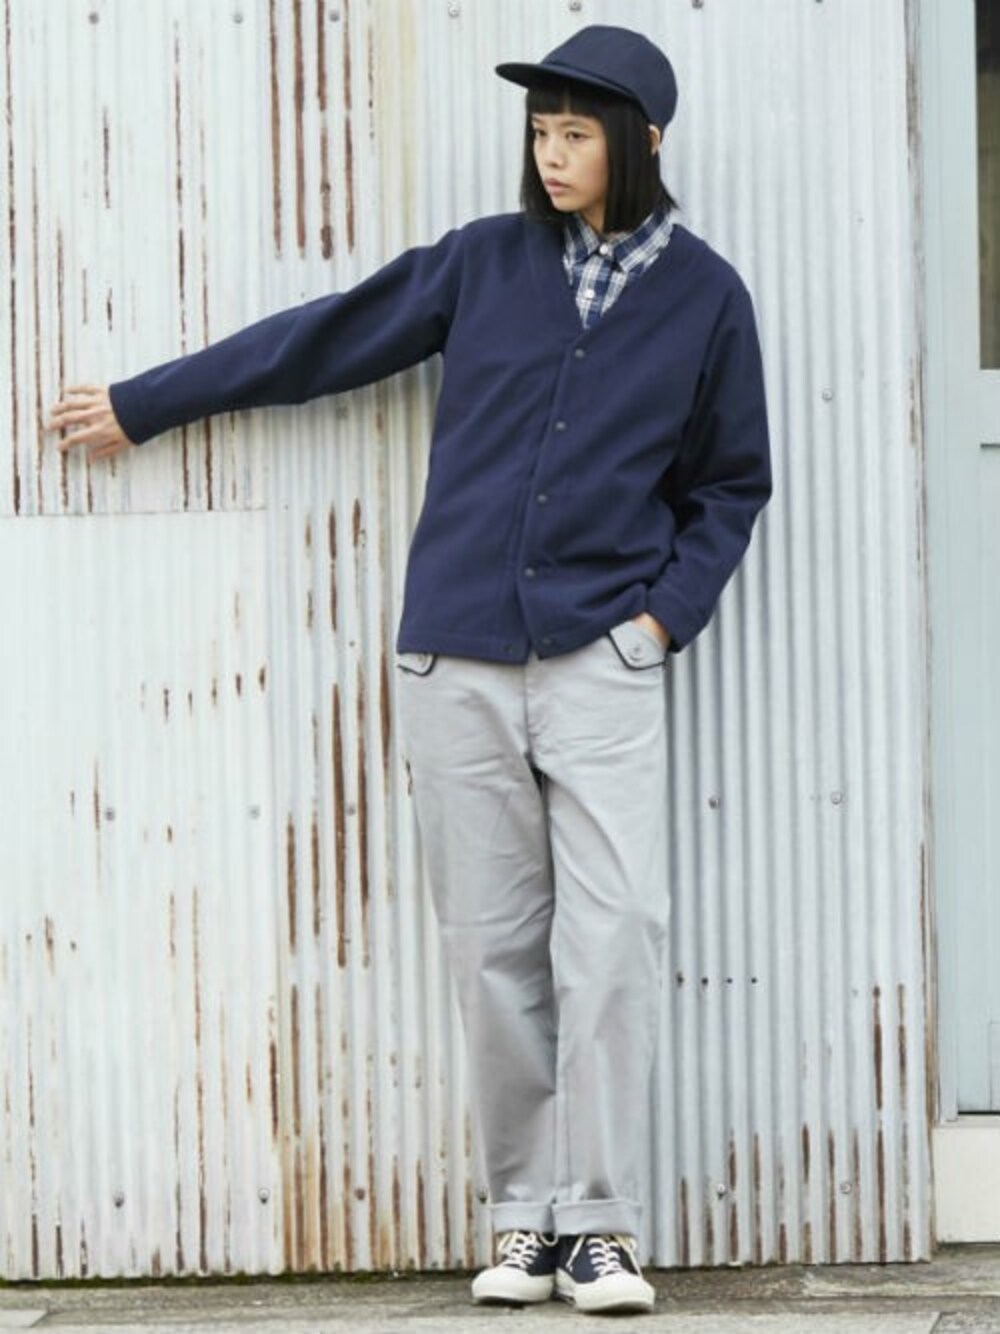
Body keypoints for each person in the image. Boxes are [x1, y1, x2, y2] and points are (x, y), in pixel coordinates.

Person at [45, 24, 771, 1317]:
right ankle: (524, 1218)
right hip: (457, 658)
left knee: (613, 940)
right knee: (492, 947)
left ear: (644, 140)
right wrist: (147, 401)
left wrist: (660, 623)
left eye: (576, 133)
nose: (550, 155)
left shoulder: (708, 298)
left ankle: (601, 1225)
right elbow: (323, 340)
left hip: (602, 660)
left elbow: (730, 485)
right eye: (540, 132)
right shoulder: (484, 263)